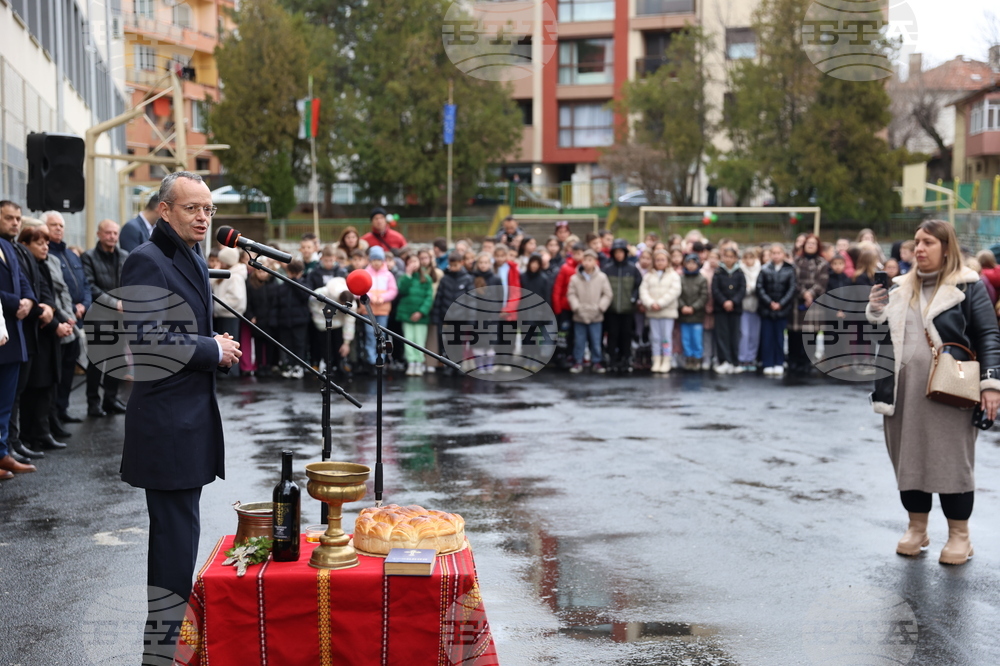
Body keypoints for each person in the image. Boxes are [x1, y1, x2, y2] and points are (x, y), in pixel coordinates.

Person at [119, 172, 242, 620]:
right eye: (193, 208)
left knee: (181, 540)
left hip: (187, 419)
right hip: (166, 424)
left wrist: (214, 344)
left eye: (208, 209)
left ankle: (173, 644)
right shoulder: (146, 259)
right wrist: (210, 348)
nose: (204, 217)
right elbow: (148, 339)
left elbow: (179, 329)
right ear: (165, 210)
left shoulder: (187, 255)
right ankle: (162, 649)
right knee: (173, 548)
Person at [867, 219, 1000, 566]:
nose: (919, 249)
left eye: (928, 242)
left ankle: (960, 535)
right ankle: (917, 528)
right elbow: (881, 335)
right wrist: (876, 309)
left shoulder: (969, 286)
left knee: (952, 463)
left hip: (952, 391)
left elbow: (988, 336)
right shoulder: (898, 287)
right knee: (908, 461)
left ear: (946, 247)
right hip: (902, 392)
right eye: (917, 242)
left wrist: (990, 385)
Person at [17, 226, 74, 451]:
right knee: (35, 388)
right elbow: (36, 299)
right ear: (25, 245)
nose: (45, 247)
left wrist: (62, 321)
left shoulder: (42, 265)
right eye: (40, 243)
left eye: (47, 243)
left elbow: (49, 299)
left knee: (47, 385)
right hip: (38, 334)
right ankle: (31, 435)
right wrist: (55, 325)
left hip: (49, 332)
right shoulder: (28, 267)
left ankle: (43, 431)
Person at [0, 201, 37, 479]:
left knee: (6, 400)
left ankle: (2, 454)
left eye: (18, 218)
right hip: (4, 327)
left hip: (15, 333)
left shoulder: (11, 248)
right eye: (9, 218)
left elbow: (24, 281)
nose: (15, 223)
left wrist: (29, 301)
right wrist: (16, 303)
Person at [43, 211, 90, 424]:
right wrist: (71, 308)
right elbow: (55, 290)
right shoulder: (46, 256)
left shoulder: (71, 255)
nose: (59, 228)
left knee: (69, 369)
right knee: (56, 372)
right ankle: (52, 416)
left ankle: (62, 409)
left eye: (61, 225)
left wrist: (84, 304)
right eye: (53, 225)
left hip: (76, 319)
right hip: (61, 320)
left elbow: (85, 283)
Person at [81, 219, 129, 417]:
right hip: (99, 317)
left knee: (118, 361)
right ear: (99, 234)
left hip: (121, 318)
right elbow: (89, 286)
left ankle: (111, 399)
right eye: (108, 233)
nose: (112, 236)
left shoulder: (125, 256)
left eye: (115, 233)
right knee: (97, 362)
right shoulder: (88, 257)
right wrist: (114, 303)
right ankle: (93, 403)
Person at [788, 234, 828, 375]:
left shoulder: (822, 263)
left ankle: (806, 362)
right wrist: (804, 293)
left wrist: (811, 293)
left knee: (810, 335)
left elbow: (822, 282)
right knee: (795, 334)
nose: (810, 245)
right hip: (797, 303)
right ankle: (793, 361)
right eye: (808, 243)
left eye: (813, 243)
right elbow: (793, 280)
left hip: (814, 303)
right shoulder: (796, 261)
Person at [567, 250, 612, 374]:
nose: (587, 263)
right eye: (585, 260)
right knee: (579, 340)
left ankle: (596, 361)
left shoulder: (602, 277)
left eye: (590, 260)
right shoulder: (575, 278)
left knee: (596, 340)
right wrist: (577, 307)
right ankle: (578, 361)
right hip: (579, 315)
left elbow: (607, 294)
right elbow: (571, 294)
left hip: (596, 315)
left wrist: (600, 308)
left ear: (595, 261)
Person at [431, 252, 475, 376]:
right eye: (451, 265)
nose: (453, 268)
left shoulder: (467, 279)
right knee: (449, 343)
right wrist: (436, 317)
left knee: (459, 344)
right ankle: (450, 365)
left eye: (456, 265)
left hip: (461, 319)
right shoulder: (445, 279)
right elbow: (439, 298)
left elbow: (471, 301)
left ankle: (459, 365)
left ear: (461, 264)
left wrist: (471, 320)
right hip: (447, 318)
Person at [639, 249, 681, 373]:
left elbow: (675, 291)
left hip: (667, 311)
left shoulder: (673, 275)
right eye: (657, 260)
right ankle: (656, 359)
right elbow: (643, 291)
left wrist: (661, 303)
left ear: (667, 261)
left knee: (666, 337)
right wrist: (651, 303)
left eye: (663, 260)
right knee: (655, 337)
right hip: (653, 311)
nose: (660, 262)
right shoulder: (648, 275)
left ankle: (666, 359)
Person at [757, 243, 796, 376]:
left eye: (778, 253)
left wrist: (781, 303)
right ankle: (768, 363)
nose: (776, 255)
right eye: (773, 253)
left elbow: (791, 289)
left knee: (779, 337)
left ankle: (779, 362)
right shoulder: (764, 269)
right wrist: (770, 303)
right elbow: (760, 288)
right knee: (767, 337)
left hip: (782, 309)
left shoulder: (790, 269)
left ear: (783, 254)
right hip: (767, 309)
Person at [603, 239, 641, 372]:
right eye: (616, 252)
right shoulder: (608, 269)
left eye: (621, 252)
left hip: (627, 309)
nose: (619, 255)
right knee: (612, 334)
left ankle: (626, 358)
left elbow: (638, 285)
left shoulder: (632, 269)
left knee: (626, 334)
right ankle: (612, 359)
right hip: (612, 309)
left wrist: (634, 298)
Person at [396, 253, 435, 376]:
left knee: (419, 340)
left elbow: (429, 297)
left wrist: (421, 312)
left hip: (420, 317)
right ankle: (411, 362)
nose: (413, 264)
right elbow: (402, 290)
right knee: (408, 339)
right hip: (406, 315)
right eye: (410, 262)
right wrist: (407, 275)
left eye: (415, 261)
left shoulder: (426, 279)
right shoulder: (404, 278)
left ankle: (419, 362)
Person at [211, 247, 247, 376]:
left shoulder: (235, 276)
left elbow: (236, 298)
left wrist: (217, 304)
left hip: (230, 315)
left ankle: (231, 372)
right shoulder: (227, 273)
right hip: (222, 314)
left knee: (230, 346)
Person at [361, 246, 398, 368]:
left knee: (382, 335)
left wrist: (383, 298)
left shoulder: (388, 275)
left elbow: (393, 290)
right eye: (374, 259)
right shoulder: (365, 274)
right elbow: (359, 290)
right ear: (370, 260)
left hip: (383, 310)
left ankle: (382, 359)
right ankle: (371, 361)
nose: (376, 262)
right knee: (369, 334)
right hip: (368, 309)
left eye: (379, 259)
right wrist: (370, 297)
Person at [713, 247, 746, 374]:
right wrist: (724, 302)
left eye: (731, 256)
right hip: (721, 309)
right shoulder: (718, 272)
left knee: (734, 335)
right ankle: (724, 361)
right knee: (722, 335)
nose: (729, 259)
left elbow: (742, 289)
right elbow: (715, 290)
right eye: (726, 256)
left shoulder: (739, 272)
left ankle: (734, 361)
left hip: (735, 309)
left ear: (736, 258)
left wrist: (733, 302)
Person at [276, 260, 311, 378]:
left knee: (299, 344)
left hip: (300, 320)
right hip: (286, 320)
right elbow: (278, 303)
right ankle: (290, 365)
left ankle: (299, 366)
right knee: (288, 344)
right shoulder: (283, 286)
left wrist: (295, 281)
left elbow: (305, 295)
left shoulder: (304, 284)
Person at [552, 242, 584, 368]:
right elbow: (558, 288)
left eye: (580, 254)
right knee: (563, 333)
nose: (577, 256)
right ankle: (562, 355)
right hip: (565, 307)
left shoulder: (586, 268)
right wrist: (557, 307)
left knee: (576, 334)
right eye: (575, 253)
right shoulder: (566, 268)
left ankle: (574, 356)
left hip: (580, 307)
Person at [678, 254, 709, 371]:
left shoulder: (701, 279)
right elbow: (678, 294)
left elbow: (704, 296)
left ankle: (697, 358)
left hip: (697, 315)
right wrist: (683, 307)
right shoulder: (681, 278)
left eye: (693, 263)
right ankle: (688, 357)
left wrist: (693, 308)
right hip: (683, 315)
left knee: (696, 338)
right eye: (688, 263)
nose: (691, 265)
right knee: (685, 339)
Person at [738, 249, 762, 373]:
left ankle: (751, 358)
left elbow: (759, 287)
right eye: (746, 258)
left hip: (757, 306)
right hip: (744, 306)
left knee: (754, 335)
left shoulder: (760, 270)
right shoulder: (740, 270)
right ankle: (742, 357)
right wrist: (750, 288)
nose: (748, 261)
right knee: (744, 334)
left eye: (751, 258)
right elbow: (742, 288)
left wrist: (751, 287)